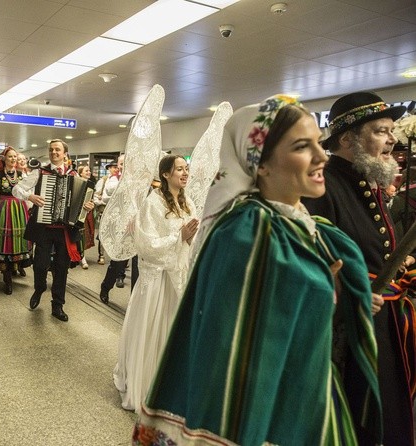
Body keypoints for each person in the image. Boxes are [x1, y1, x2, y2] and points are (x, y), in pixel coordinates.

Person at [134, 96, 382, 445]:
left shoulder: (309, 226)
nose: (322, 155)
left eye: (317, 142)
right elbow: (237, 357)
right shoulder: (247, 231)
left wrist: (346, 295)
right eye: (301, 146)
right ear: (260, 164)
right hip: (268, 415)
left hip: (312, 397)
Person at [302, 91, 414, 446]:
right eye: (381, 131)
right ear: (348, 138)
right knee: (357, 424)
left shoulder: (369, 181)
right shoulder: (324, 186)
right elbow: (312, 264)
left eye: (392, 130)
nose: (392, 138)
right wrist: (349, 292)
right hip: (347, 336)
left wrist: (399, 263)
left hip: (382, 323)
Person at [113, 154, 197, 412]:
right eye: (179, 169)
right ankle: (146, 385)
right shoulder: (153, 203)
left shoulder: (188, 202)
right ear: (165, 175)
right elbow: (146, 245)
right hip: (157, 280)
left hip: (177, 278)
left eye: (186, 169)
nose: (184, 173)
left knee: (172, 332)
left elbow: (193, 238)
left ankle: (169, 386)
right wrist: (178, 236)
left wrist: (190, 238)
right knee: (151, 331)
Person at [12, 139, 94, 322]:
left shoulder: (74, 175)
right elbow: (16, 189)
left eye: (57, 150)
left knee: (61, 268)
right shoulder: (40, 172)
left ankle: (58, 304)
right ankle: (39, 288)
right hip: (44, 227)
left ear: (65, 153)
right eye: (51, 150)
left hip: (65, 229)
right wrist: (30, 196)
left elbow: (82, 204)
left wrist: (87, 206)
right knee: (40, 264)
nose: (54, 152)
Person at [0, 147, 32, 294]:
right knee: (5, 243)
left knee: (18, 240)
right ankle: (7, 277)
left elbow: (28, 193)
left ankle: (17, 266)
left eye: (15, 156)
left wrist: (30, 208)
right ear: (4, 159)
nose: (13, 159)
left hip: (20, 209)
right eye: (10, 157)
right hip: (4, 208)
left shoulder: (22, 174)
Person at [100, 155, 130, 303]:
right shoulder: (113, 180)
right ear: (118, 166)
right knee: (117, 260)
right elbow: (106, 197)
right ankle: (106, 287)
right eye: (122, 164)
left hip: (137, 226)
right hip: (120, 225)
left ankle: (133, 299)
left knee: (135, 263)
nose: (124, 166)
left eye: (127, 163)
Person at [77, 165, 95, 269]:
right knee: (80, 234)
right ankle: (80, 257)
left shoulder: (91, 184)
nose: (89, 172)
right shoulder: (79, 182)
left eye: (89, 170)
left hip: (87, 212)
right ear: (81, 173)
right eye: (86, 171)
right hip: (79, 212)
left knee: (85, 234)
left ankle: (82, 256)